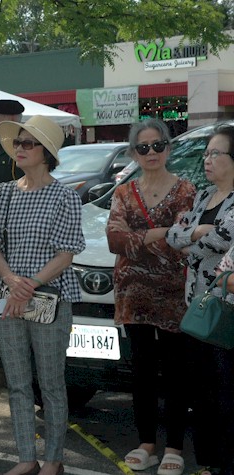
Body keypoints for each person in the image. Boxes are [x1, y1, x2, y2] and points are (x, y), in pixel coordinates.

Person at [0, 115, 85, 475]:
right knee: (16, 383)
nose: (20, 148)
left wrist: (28, 284)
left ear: (47, 153)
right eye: (18, 142)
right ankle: (26, 458)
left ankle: (53, 460)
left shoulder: (65, 196)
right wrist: (12, 280)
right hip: (8, 296)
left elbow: (66, 253)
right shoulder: (3, 193)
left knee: (52, 383)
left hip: (49, 298)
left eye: (29, 143)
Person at [106, 119, 196, 475]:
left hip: (174, 294)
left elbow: (182, 241)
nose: (151, 152)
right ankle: (146, 443)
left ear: (168, 149)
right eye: (143, 147)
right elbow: (115, 241)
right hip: (133, 295)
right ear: (133, 153)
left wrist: (139, 237)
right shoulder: (123, 193)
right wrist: (163, 232)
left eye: (158, 145)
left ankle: (173, 446)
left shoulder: (186, 190)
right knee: (141, 372)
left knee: (175, 372)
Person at [168, 125, 234, 475]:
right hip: (196, 307)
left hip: (226, 310)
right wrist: (195, 232)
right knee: (202, 392)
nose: (207, 159)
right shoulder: (203, 196)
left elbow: (221, 239)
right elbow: (173, 236)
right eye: (206, 153)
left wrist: (189, 237)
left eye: (215, 153)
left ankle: (227, 464)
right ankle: (208, 463)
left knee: (226, 392)